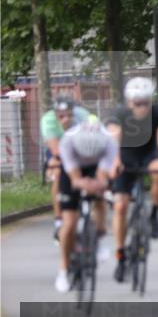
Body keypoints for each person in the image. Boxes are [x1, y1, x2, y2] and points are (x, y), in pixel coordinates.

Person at [106, 77, 158, 283]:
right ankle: (120, 256)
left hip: (149, 154)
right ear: (129, 102)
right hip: (125, 155)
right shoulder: (119, 114)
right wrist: (115, 162)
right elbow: (113, 140)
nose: (142, 107)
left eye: (146, 103)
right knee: (120, 207)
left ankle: (153, 214)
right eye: (138, 103)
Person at [54, 122, 117, 292]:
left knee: (99, 196)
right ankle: (64, 270)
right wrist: (81, 183)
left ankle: (99, 236)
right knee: (69, 224)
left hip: (95, 167)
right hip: (72, 171)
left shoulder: (109, 142)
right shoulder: (67, 142)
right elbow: (74, 179)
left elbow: (102, 177)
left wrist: (98, 185)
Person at [40, 97, 91, 244]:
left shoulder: (83, 115)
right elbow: (56, 150)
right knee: (58, 172)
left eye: (69, 114)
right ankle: (58, 221)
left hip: (82, 146)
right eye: (61, 115)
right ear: (55, 114)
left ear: (74, 111)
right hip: (60, 146)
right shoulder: (48, 120)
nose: (66, 118)